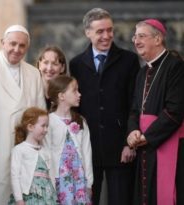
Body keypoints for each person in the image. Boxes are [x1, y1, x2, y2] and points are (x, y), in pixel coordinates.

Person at [69, 8, 140, 205]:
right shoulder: (76, 64)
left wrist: (130, 143)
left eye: (110, 30)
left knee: (120, 200)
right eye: (100, 31)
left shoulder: (129, 60)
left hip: (120, 147)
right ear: (87, 32)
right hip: (88, 147)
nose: (107, 36)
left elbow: (134, 103)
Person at [0, 25, 46, 205]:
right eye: (12, 44)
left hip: (25, 145)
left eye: (22, 46)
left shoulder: (33, 73)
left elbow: (40, 111)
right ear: (2, 43)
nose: (17, 49)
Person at [127, 19, 184, 205]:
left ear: (158, 39)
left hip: (166, 142)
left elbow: (175, 111)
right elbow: (135, 109)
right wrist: (132, 131)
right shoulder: (142, 72)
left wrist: (147, 137)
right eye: (135, 37)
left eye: (141, 36)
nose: (136, 41)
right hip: (145, 145)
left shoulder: (175, 67)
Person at [45, 75, 92, 204]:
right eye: (74, 90)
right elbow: (46, 153)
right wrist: (49, 181)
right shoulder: (48, 122)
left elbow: (87, 153)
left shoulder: (81, 121)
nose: (79, 94)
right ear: (61, 96)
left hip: (79, 179)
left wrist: (89, 182)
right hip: (58, 179)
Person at [8, 107, 56, 205]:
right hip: (28, 197)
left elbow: (52, 175)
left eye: (47, 126)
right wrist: (19, 199)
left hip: (46, 197)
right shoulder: (19, 149)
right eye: (43, 126)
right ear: (30, 127)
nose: (46, 130)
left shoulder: (46, 151)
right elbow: (15, 176)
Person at [36, 46, 67, 110]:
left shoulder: (67, 95)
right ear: (39, 65)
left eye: (54, 64)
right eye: (45, 63)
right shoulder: (30, 90)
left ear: (62, 68)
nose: (49, 68)